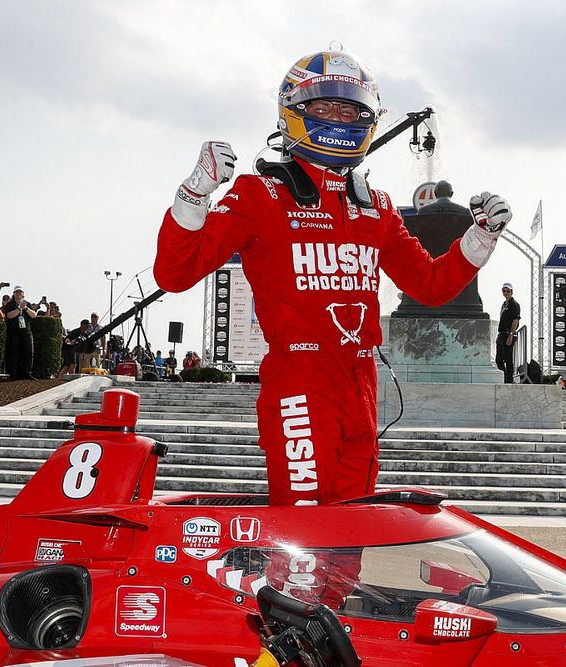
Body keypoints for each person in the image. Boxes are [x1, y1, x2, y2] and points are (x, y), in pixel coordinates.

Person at [154, 45, 510, 509]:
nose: (338, 117)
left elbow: (430, 284)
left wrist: (480, 237)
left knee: (350, 536)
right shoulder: (259, 193)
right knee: (305, 534)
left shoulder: (376, 205)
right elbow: (174, 273)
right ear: (293, 111)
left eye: (349, 108)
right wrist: (194, 193)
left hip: (361, 382)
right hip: (300, 380)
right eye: (324, 106)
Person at [4, 285, 37, 380]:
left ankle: (27, 373)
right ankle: (13, 374)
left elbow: (34, 315)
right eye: (17, 292)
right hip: (13, 333)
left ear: (23, 294)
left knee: (28, 353)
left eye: (20, 292)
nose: (18, 293)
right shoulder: (10, 305)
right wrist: (19, 309)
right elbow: (9, 315)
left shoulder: (27, 304)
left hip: (26, 333)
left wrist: (25, 308)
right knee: (13, 354)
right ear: (14, 294)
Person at [495, 282, 521, 383]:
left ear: (511, 292)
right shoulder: (504, 304)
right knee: (499, 359)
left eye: (508, 291)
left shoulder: (514, 304)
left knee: (508, 358)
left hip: (508, 333)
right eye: (504, 291)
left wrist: (511, 334)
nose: (506, 293)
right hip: (502, 333)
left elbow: (515, 320)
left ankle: (509, 379)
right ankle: (504, 377)